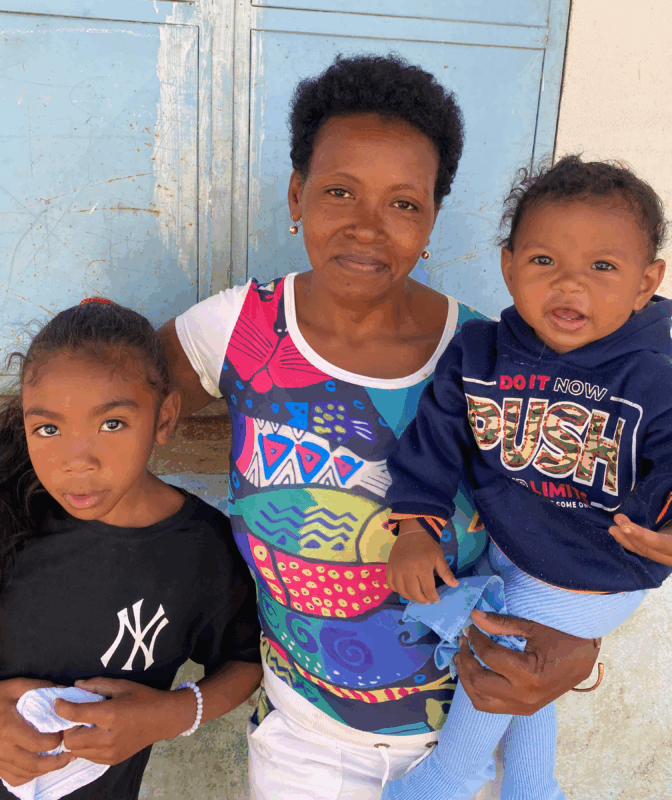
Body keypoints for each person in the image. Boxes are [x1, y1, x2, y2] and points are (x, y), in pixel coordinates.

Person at [150, 56, 618, 799]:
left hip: (466, 738)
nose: (367, 227)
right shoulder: (241, 329)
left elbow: (569, 523)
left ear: (432, 221)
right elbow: (119, 414)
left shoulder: (492, 363)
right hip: (304, 738)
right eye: (339, 191)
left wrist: (581, 645)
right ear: (298, 195)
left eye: (404, 204)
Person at [382, 156, 672, 800]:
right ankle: (534, 784)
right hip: (517, 548)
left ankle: (450, 776)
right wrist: (413, 526)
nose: (570, 286)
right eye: (544, 262)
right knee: (531, 683)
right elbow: (434, 441)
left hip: (599, 566)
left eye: (603, 267)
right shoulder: (480, 353)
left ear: (646, 281)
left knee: (503, 664)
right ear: (509, 264)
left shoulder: (654, 371)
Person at [0, 299, 262, 799]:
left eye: (111, 424)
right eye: (49, 429)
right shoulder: (8, 508)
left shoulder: (200, 549)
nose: (77, 461)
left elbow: (244, 660)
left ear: (164, 419)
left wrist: (171, 713)